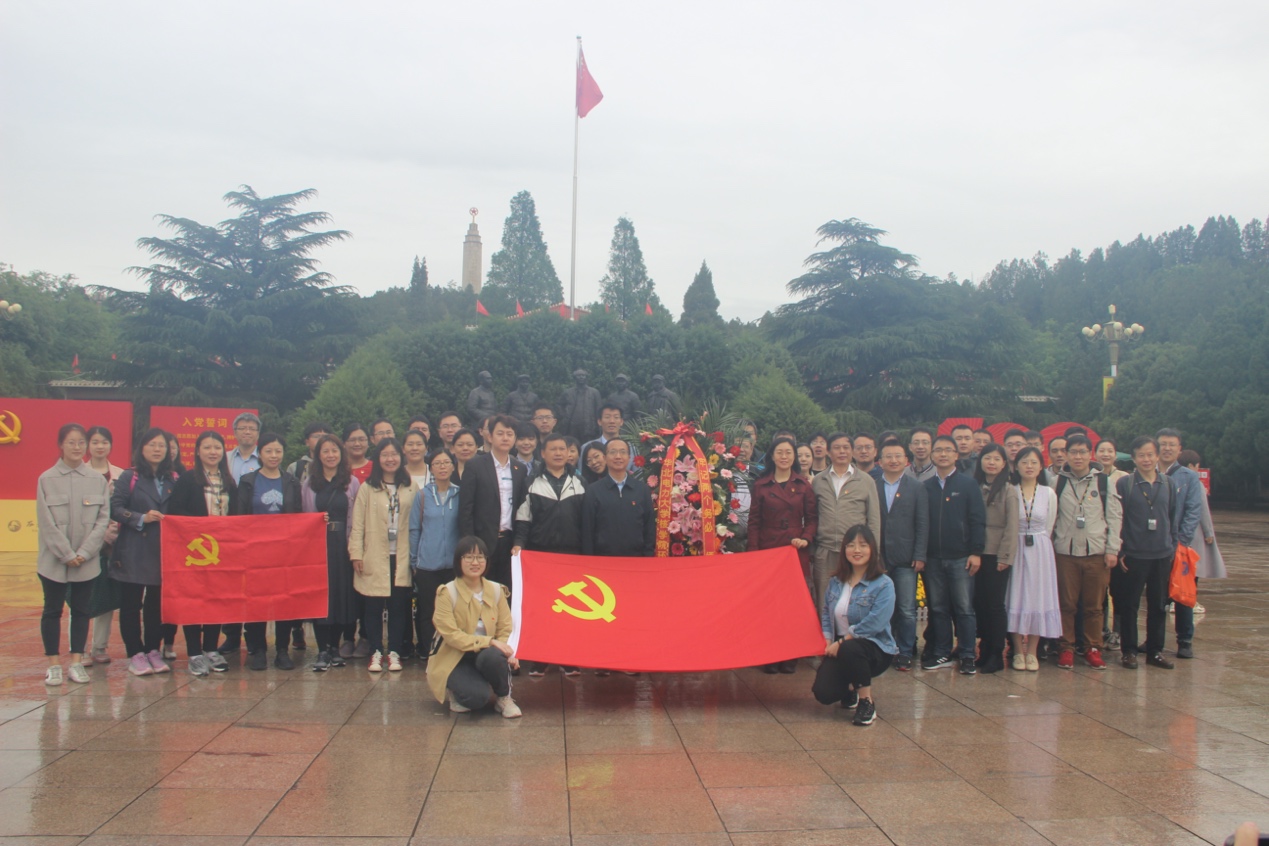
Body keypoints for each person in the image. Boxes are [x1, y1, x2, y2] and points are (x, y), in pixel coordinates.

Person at [35, 424, 110, 685]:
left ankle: (77, 662)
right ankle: (54, 664)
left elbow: (102, 520)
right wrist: (67, 554)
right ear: (61, 445)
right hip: (54, 561)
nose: (77, 447)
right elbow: (46, 523)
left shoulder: (96, 480)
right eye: (71, 442)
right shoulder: (46, 479)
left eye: (81, 442)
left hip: (86, 562)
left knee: (81, 611)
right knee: (52, 610)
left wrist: (85, 553)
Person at [513, 433, 588, 677]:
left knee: (571, 609)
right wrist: (519, 544)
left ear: (569, 453)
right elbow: (523, 518)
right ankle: (540, 659)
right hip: (541, 556)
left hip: (572, 556)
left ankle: (568, 658)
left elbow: (587, 522)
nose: (558, 453)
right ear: (543, 454)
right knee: (543, 609)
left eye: (562, 449)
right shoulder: (531, 482)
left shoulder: (580, 482)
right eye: (552, 449)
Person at [168, 431, 238, 676]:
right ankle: (195, 653)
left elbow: (237, 516)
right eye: (207, 447)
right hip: (195, 551)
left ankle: (211, 649)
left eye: (217, 447)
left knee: (216, 600)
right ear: (197, 451)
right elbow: (175, 510)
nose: (212, 452)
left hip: (221, 552)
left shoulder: (229, 481)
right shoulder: (188, 480)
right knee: (193, 600)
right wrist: (201, 525)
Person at [812, 525, 897, 727]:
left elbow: (875, 622)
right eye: (851, 545)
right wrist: (827, 641)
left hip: (874, 648)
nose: (856, 550)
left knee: (851, 648)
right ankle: (850, 691)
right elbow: (826, 613)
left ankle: (866, 702)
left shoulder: (884, 584)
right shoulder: (836, 582)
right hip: (841, 648)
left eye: (863, 545)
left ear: (872, 549)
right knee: (824, 693)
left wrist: (842, 642)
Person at [427, 536, 521, 717]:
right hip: (455, 656)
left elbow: (505, 627)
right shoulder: (447, 592)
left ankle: (504, 697)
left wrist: (506, 649)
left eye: (480, 557)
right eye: (469, 557)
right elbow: (451, 635)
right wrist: (490, 642)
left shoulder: (496, 590)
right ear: (458, 560)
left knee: (495, 656)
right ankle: (456, 689)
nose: (475, 562)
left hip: (486, 655)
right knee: (476, 699)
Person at [747, 436, 818, 673]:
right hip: (768, 550)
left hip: (794, 550)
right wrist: (753, 553)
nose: (784, 456)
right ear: (772, 456)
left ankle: (790, 654)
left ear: (794, 456)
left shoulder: (803, 485)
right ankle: (770, 653)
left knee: (792, 604)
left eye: (788, 452)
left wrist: (806, 538)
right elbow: (754, 522)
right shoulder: (761, 485)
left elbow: (812, 519)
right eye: (780, 452)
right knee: (769, 605)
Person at [1051, 434, 1122, 671]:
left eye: (1082, 452)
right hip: (1065, 553)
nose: (1078, 457)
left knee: (1094, 606)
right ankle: (1066, 647)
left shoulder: (1103, 482)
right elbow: (1051, 518)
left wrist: (1112, 549)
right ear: (1067, 455)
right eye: (1073, 452)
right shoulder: (1057, 482)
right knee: (1066, 604)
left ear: (1090, 454)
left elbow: (1114, 517)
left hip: (1096, 553)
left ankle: (1093, 648)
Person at [234, 433, 304, 670]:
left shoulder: (291, 482)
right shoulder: (248, 481)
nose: (274, 456)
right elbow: (239, 516)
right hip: (255, 551)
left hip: (284, 552)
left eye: (278, 451)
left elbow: (298, 515)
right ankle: (259, 649)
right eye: (269, 451)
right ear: (260, 453)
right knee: (257, 601)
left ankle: (282, 650)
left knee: (284, 601)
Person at [110, 428, 176, 676]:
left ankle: (153, 650)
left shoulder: (173, 478)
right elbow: (115, 508)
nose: (157, 450)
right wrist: (141, 518)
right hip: (134, 549)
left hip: (162, 550)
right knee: (131, 604)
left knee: (156, 605)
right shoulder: (130, 476)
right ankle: (135, 653)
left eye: (162, 445)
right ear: (142, 448)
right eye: (152, 445)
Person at [349, 437, 418, 673]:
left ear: (401, 457)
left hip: (401, 555)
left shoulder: (411, 487)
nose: (390, 459)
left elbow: (417, 523)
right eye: (385, 455)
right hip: (374, 554)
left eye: (394, 454)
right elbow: (357, 524)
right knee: (373, 606)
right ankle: (376, 651)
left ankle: (395, 651)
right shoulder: (367, 488)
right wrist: (356, 554)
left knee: (399, 606)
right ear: (378, 459)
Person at [921, 434, 986, 674]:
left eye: (948, 450)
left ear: (956, 455)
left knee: (964, 607)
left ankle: (967, 653)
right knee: (938, 608)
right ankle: (942, 652)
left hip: (961, 557)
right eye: (938, 450)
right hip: (933, 558)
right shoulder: (925, 487)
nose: (943, 454)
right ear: (932, 455)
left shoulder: (968, 485)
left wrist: (976, 551)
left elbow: (977, 520)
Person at [1112, 436, 1176, 670]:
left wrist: (1172, 546)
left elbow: (1172, 516)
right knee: (1129, 604)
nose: (1146, 459)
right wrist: (1121, 550)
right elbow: (1118, 518)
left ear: (1157, 456)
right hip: (1134, 554)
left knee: (1158, 605)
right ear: (1134, 458)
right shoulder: (1125, 484)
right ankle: (1129, 651)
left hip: (1161, 554)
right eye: (1141, 455)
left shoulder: (1168, 484)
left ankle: (1155, 651)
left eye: (1150, 454)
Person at [303, 434, 362, 671]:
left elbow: (357, 517)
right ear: (318, 455)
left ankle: (335, 648)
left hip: (343, 545)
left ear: (341, 453)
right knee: (321, 596)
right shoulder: (309, 484)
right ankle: (322, 649)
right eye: (325, 451)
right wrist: (315, 520)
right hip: (319, 547)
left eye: (334, 450)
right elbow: (304, 516)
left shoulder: (351, 482)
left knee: (341, 596)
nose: (330, 455)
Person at [810, 433, 882, 614]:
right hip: (825, 551)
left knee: (855, 602)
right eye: (837, 448)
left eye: (846, 448)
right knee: (824, 603)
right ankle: (826, 633)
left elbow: (874, 520)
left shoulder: (865, 481)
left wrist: (873, 552)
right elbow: (812, 516)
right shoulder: (819, 481)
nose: (842, 451)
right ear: (828, 452)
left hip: (855, 552)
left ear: (852, 451)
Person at [1006, 446, 1061, 672]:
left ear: (1041, 467)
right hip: (1016, 546)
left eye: (1034, 462)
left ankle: (1033, 651)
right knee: (1016, 595)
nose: (1029, 466)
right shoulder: (1010, 491)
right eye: (1024, 462)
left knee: (1039, 597)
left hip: (1040, 549)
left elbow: (1049, 525)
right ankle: (1018, 651)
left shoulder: (1049, 493)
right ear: (1016, 466)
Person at [458, 415, 529, 591]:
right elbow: (466, 509)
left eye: (510, 434)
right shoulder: (475, 465)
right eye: (500, 433)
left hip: (509, 543)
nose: (505, 438)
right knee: (481, 592)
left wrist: (519, 541)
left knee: (507, 592)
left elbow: (522, 508)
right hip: (482, 541)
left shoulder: (519, 469)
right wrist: (470, 543)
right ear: (489, 436)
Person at [875, 439, 928, 672]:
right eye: (888, 456)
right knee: (883, 607)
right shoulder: (873, 485)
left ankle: (905, 650)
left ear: (906, 460)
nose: (893, 460)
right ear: (880, 461)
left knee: (906, 608)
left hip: (906, 557)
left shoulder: (916, 487)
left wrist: (920, 554)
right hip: (880, 557)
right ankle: (884, 648)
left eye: (898, 456)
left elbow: (922, 523)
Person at [409, 449, 461, 666]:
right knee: (428, 610)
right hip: (428, 564)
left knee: (455, 610)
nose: (442, 467)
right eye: (437, 463)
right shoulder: (422, 495)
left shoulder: (461, 494)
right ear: (431, 468)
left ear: (453, 466)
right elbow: (415, 529)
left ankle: (452, 650)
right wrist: (414, 560)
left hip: (454, 565)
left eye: (446, 462)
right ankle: (427, 650)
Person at [1157, 428, 1205, 659]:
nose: (1167, 448)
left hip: (1179, 546)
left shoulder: (1189, 477)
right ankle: (1154, 640)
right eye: (1163, 444)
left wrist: (1181, 542)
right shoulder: (1147, 473)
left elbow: (1193, 511)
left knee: (1183, 594)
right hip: (1153, 546)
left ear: (1179, 449)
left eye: (1171, 444)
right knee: (1156, 595)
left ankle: (1185, 640)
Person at [972, 444, 1019, 674]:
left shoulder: (1009, 490)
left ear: (1004, 464)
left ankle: (996, 653)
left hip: (996, 555)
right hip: (976, 553)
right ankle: (984, 648)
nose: (991, 462)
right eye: (987, 458)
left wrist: (1005, 556)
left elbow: (1012, 526)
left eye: (996, 459)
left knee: (995, 605)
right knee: (979, 603)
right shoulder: (974, 486)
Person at [83, 425, 124, 665]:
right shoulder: (79, 473)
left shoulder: (120, 474)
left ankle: (99, 646)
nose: (100, 446)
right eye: (95, 442)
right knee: (80, 596)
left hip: (112, 544)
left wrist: (111, 532)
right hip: (84, 544)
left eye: (104, 442)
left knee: (105, 595)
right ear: (88, 445)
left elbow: (122, 508)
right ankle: (79, 647)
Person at [581, 438, 655, 557]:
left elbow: (649, 528)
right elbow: (587, 531)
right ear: (605, 457)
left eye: (623, 452)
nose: (618, 456)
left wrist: (648, 556)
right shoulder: (593, 490)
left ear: (629, 457)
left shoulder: (642, 490)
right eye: (613, 452)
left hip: (636, 559)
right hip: (603, 559)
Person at [1180, 449, 1225, 601]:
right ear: (1191, 465)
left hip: (1178, 531)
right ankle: (1189, 599)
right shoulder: (1195, 483)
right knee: (1194, 568)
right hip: (1194, 533)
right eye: (1197, 465)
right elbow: (1203, 510)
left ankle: (1174, 600)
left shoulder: (1173, 479)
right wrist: (1209, 533)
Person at [558, 369, 603, 442]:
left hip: (589, 426)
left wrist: (599, 425)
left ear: (586, 377)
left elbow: (599, 410)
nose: (581, 377)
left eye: (583, 375)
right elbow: (559, 405)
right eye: (578, 375)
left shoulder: (594, 392)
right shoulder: (568, 392)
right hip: (572, 426)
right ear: (575, 377)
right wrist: (564, 415)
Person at [228, 412, 262, 483]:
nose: (247, 432)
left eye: (252, 429)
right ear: (235, 433)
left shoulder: (265, 458)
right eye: (242, 428)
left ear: (258, 434)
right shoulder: (226, 458)